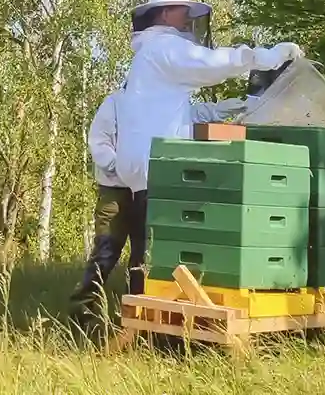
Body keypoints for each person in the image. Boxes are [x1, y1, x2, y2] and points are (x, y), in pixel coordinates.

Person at [104, 0, 301, 299]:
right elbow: (213, 63)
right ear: (167, 12)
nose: (188, 21)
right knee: (154, 254)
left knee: (148, 249)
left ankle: (145, 319)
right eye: (184, 12)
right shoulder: (164, 48)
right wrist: (270, 57)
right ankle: (145, 323)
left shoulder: (149, 58)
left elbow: (175, 111)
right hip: (156, 167)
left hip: (145, 166)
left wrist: (226, 108)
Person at [69, 86, 245, 333]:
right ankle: (82, 311)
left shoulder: (162, 105)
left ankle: (138, 315)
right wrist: (122, 167)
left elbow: (197, 113)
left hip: (148, 188)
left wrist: (235, 105)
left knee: (144, 252)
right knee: (107, 249)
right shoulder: (115, 103)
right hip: (116, 190)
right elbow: (99, 141)